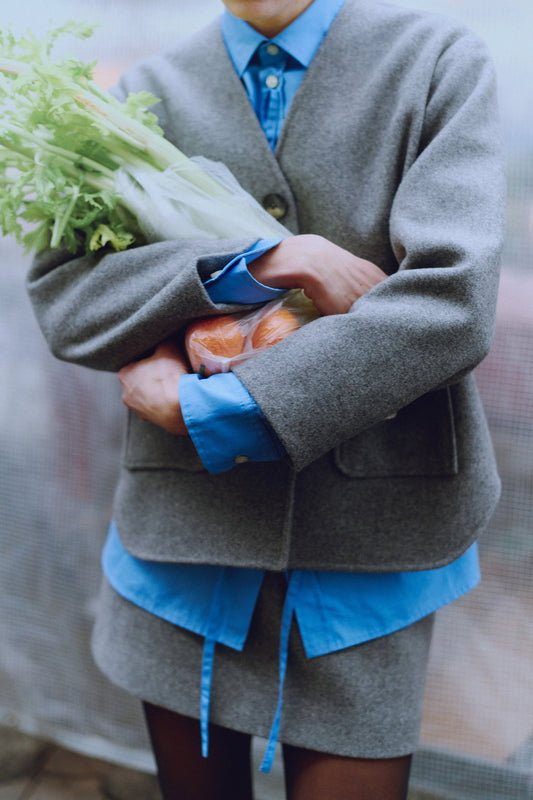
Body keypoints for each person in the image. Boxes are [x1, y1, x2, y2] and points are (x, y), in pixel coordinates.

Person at [26, 0, 506, 797]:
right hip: (183, 543)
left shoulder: (434, 58)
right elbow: (67, 302)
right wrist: (267, 259)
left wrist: (208, 410)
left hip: (369, 546)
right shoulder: (138, 90)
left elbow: (451, 303)